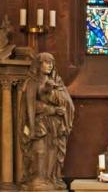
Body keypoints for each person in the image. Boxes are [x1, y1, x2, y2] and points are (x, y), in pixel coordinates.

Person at [19, 53, 74, 190]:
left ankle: (52, 178)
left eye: (51, 63)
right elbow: (29, 106)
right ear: (38, 65)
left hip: (56, 125)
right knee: (39, 150)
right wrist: (50, 109)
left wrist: (57, 100)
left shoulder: (57, 82)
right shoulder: (31, 83)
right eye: (46, 62)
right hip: (39, 123)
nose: (50, 65)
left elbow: (68, 103)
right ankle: (38, 179)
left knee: (53, 151)